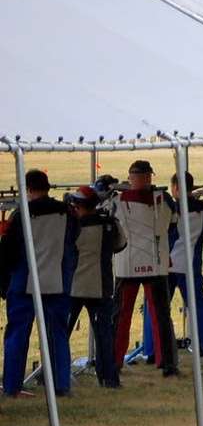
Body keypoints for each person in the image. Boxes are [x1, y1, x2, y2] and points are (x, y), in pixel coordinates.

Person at [2, 169, 77, 397]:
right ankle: (61, 385)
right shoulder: (67, 212)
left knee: (17, 335)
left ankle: (12, 386)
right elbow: (73, 240)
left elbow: (8, 250)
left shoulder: (21, 213)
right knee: (58, 334)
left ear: (28, 189)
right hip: (57, 280)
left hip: (24, 281)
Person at [108, 160, 179, 376]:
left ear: (131, 178)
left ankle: (113, 361)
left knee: (121, 316)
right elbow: (173, 224)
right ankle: (167, 363)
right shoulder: (165, 199)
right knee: (160, 316)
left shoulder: (117, 200)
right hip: (156, 262)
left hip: (127, 263)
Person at [143, 171, 203, 363]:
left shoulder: (170, 208)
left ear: (176, 188)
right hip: (190, 265)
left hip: (167, 265)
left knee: (155, 308)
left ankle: (152, 351)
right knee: (200, 309)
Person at [66, 183, 124, 388]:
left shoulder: (72, 226)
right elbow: (120, 244)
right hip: (101, 286)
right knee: (104, 336)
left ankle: (57, 376)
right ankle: (109, 378)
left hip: (73, 286)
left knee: (61, 333)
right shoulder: (109, 223)